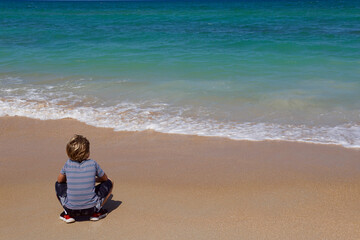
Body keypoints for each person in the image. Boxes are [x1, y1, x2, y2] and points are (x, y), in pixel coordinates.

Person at [55, 134, 113, 223]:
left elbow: (60, 181)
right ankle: (96, 213)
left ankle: (67, 214)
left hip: (71, 209)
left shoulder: (68, 164)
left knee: (57, 185)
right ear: (87, 152)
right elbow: (104, 178)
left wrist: (72, 179)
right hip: (91, 209)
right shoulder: (93, 163)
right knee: (110, 182)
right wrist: (95, 179)